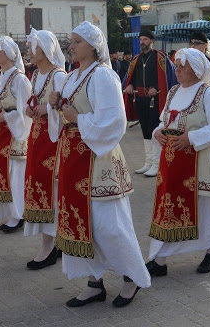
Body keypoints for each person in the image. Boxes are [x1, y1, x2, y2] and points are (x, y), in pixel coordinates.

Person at [48, 21, 150, 308]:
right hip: (73, 158)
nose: (71, 45)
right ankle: (94, 283)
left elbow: (114, 122)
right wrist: (55, 105)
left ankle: (131, 278)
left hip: (99, 161)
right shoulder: (71, 77)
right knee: (82, 223)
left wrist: (75, 118)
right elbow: (65, 116)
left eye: (77, 41)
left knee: (110, 225)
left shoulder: (103, 76)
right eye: (71, 41)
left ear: (93, 46)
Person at [145, 48, 210, 278]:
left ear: (196, 69)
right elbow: (164, 120)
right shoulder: (173, 92)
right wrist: (157, 132)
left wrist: (192, 138)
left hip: (202, 162)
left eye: (182, 66)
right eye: (176, 65)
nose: (176, 70)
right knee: (168, 207)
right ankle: (160, 259)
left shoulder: (208, 93)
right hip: (173, 162)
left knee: (208, 209)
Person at [22, 28, 67, 269]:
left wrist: (46, 109)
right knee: (39, 185)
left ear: (45, 50)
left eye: (32, 47)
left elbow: (67, 109)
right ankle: (53, 241)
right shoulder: (36, 76)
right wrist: (31, 110)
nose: (29, 52)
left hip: (54, 141)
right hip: (38, 137)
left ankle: (50, 245)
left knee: (51, 188)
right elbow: (36, 102)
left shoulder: (58, 76)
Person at [0, 36, 32, 232]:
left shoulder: (20, 79)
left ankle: (19, 214)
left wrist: (5, 116)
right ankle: (11, 211)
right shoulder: (0, 76)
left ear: (7, 54)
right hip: (1, 133)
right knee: (3, 172)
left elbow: (25, 111)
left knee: (15, 175)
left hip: (15, 135)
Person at [123, 29, 176, 177]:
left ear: (152, 41)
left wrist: (157, 88)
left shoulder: (161, 57)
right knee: (145, 130)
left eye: (145, 39)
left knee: (154, 130)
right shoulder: (136, 59)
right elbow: (130, 77)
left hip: (156, 99)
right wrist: (129, 85)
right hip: (140, 99)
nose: (142, 42)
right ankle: (148, 162)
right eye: (141, 39)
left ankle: (157, 164)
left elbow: (168, 77)